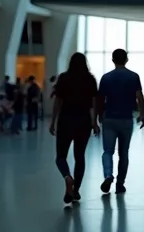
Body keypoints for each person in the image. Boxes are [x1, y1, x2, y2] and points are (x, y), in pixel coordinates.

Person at [96, 48, 144, 194]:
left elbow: (100, 99)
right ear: (126, 60)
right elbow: (139, 97)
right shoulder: (133, 76)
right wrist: (141, 114)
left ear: (112, 60)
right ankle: (120, 183)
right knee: (123, 153)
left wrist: (99, 116)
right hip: (126, 119)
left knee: (107, 151)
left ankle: (108, 175)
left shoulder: (106, 78)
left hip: (109, 118)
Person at [51, 52, 99, 205]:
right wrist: (95, 122)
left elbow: (58, 101)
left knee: (60, 156)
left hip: (66, 120)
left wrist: (53, 121)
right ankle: (76, 189)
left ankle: (67, 177)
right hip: (83, 121)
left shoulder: (64, 78)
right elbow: (94, 103)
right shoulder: (90, 79)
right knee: (80, 156)